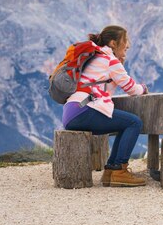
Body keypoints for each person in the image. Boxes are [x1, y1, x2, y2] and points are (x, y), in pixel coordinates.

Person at [62, 25, 148, 187]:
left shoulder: (96, 57)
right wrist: (143, 88)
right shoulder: (110, 60)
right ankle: (119, 170)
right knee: (133, 122)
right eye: (125, 41)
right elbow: (132, 89)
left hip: (72, 111)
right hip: (84, 110)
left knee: (124, 125)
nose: (128, 45)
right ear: (114, 43)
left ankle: (111, 171)